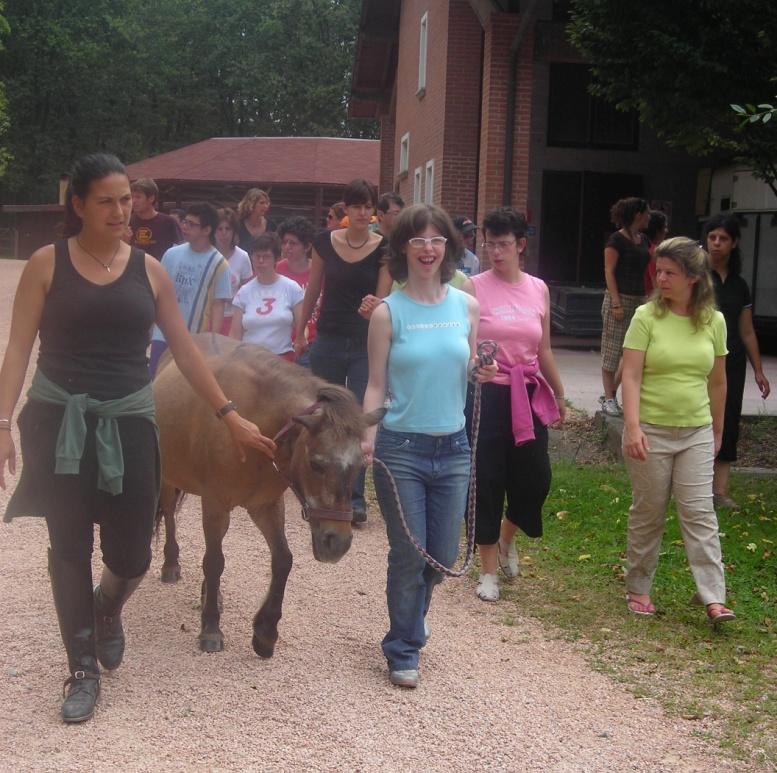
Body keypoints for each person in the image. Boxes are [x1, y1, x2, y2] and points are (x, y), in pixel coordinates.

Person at [0, 153, 275, 724]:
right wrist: (3, 423)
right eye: (107, 200)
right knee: (68, 548)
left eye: (126, 199)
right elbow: (19, 349)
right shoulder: (46, 264)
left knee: (132, 554)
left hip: (129, 421)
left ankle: (107, 607)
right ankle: (81, 668)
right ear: (78, 205)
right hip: (60, 422)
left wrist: (229, 413)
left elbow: (185, 348)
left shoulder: (149, 270)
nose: (121, 210)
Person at [362, 203, 496, 688]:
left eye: (436, 239)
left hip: (454, 447)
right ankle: (402, 647)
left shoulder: (466, 306)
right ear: (402, 248)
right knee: (409, 553)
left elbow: (467, 367)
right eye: (417, 240)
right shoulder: (387, 313)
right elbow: (376, 385)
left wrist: (481, 369)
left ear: (449, 247)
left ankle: (412, 617)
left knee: (440, 554)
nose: (427, 248)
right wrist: (368, 436)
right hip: (401, 449)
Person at [621, 236, 734, 623]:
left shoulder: (714, 321)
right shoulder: (646, 317)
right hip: (649, 429)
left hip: (696, 431)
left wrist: (718, 430)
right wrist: (632, 427)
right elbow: (631, 376)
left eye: (671, 272)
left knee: (699, 512)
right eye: (660, 270)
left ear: (693, 278)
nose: (661, 278)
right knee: (649, 511)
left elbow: (718, 381)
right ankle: (638, 587)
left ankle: (714, 597)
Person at [462, 208, 565, 603]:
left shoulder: (538, 288)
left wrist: (558, 392)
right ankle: (487, 569)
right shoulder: (472, 287)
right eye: (489, 243)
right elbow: (465, 348)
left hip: (529, 393)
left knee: (535, 479)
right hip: (487, 394)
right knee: (485, 480)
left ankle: (507, 538)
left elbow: (545, 349)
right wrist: (475, 369)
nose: (495, 252)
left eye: (504, 244)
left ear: (521, 245)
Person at [295, 178, 392, 525]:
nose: (363, 213)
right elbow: (313, 289)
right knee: (325, 417)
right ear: (346, 209)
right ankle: (319, 490)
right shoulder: (324, 242)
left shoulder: (385, 247)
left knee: (357, 419)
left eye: (368, 207)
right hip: (329, 339)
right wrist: (301, 329)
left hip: (366, 342)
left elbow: (383, 298)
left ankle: (354, 497)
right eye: (357, 206)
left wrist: (374, 305)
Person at [704, 214, 771, 510]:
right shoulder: (694, 278)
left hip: (731, 364)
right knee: (698, 420)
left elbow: (746, 330)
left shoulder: (740, 286)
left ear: (734, 243)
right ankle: (693, 487)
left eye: (723, 239)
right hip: (699, 361)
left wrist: (758, 370)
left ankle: (719, 491)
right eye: (712, 238)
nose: (716, 244)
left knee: (728, 421)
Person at [148, 203, 232, 377]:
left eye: (192, 224)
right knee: (154, 383)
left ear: (207, 229)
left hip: (193, 339)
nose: (184, 227)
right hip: (162, 333)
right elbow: (157, 291)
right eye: (185, 222)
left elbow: (218, 305)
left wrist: (213, 341)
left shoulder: (219, 264)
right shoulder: (171, 254)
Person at [600, 197, 650, 416]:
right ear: (638, 214)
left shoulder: (644, 239)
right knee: (612, 349)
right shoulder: (616, 240)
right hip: (618, 298)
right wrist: (616, 303)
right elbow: (609, 271)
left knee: (633, 351)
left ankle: (610, 391)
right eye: (647, 213)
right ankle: (610, 398)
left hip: (640, 299)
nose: (649, 217)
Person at [229, 234, 303, 361]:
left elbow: (302, 324)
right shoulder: (243, 292)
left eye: (266, 256)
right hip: (249, 360)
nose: (261, 261)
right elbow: (235, 334)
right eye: (257, 256)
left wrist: (300, 342)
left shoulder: (292, 288)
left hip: (282, 358)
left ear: (277, 259)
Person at [276, 216, 319, 366]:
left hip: (314, 342)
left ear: (307, 247)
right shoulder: (276, 270)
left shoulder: (319, 271)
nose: (287, 247)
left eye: (293, 243)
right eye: (284, 242)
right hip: (284, 343)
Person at [215, 208, 253, 335]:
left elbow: (247, 291)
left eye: (228, 229)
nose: (224, 233)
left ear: (234, 232)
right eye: (219, 229)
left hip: (233, 317)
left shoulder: (243, 257)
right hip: (208, 316)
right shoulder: (206, 255)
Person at [128, 177, 181, 260]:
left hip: (161, 270)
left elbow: (180, 250)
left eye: (138, 197)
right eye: (132, 197)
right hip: (134, 270)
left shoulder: (168, 222)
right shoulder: (127, 222)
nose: (133, 201)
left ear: (151, 198)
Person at [643, 210, 669, 295]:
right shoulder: (655, 251)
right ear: (657, 230)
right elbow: (656, 283)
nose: (666, 231)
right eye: (664, 227)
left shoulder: (642, 247)